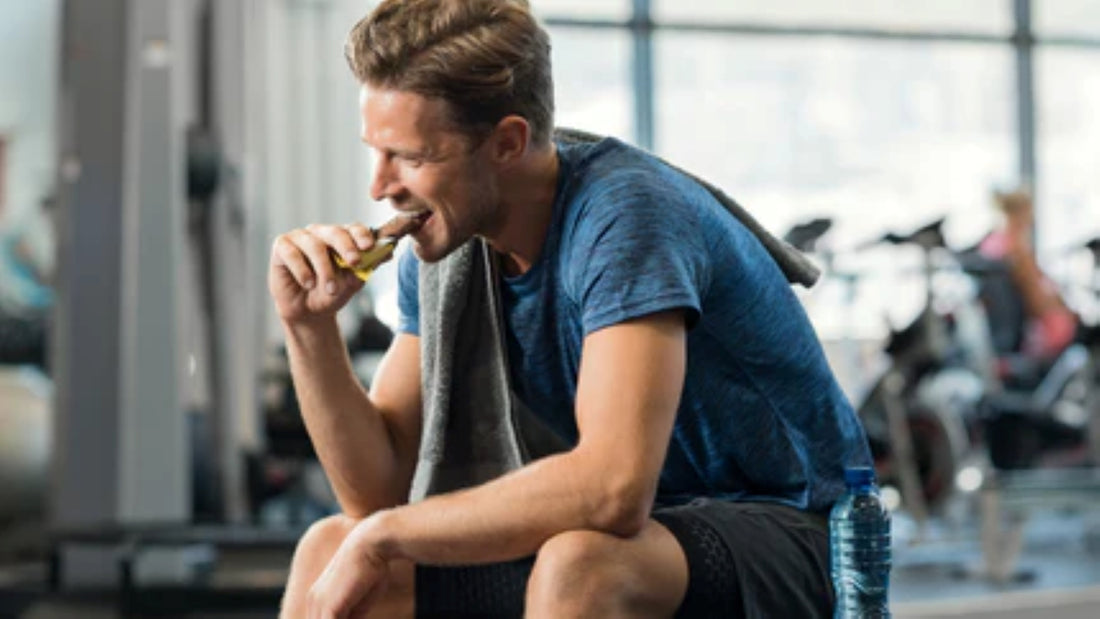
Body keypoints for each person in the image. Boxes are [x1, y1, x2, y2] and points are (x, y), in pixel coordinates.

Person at [268, 1, 871, 617]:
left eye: (413, 158)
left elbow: (612, 490)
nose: (380, 186)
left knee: (582, 567)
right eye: (377, 151)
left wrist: (387, 533)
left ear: (507, 142)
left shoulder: (627, 217)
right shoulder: (448, 244)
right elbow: (376, 492)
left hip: (797, 529)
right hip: (641, 535)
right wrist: (308, 325)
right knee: (330, 545)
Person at [978, 187, 1078, 364]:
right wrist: (1067, 312)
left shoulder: (991, 242)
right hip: (1033, 330)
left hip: (1001, 329)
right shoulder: (1017, 250)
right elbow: (1035, 301)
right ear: (1023, 213)